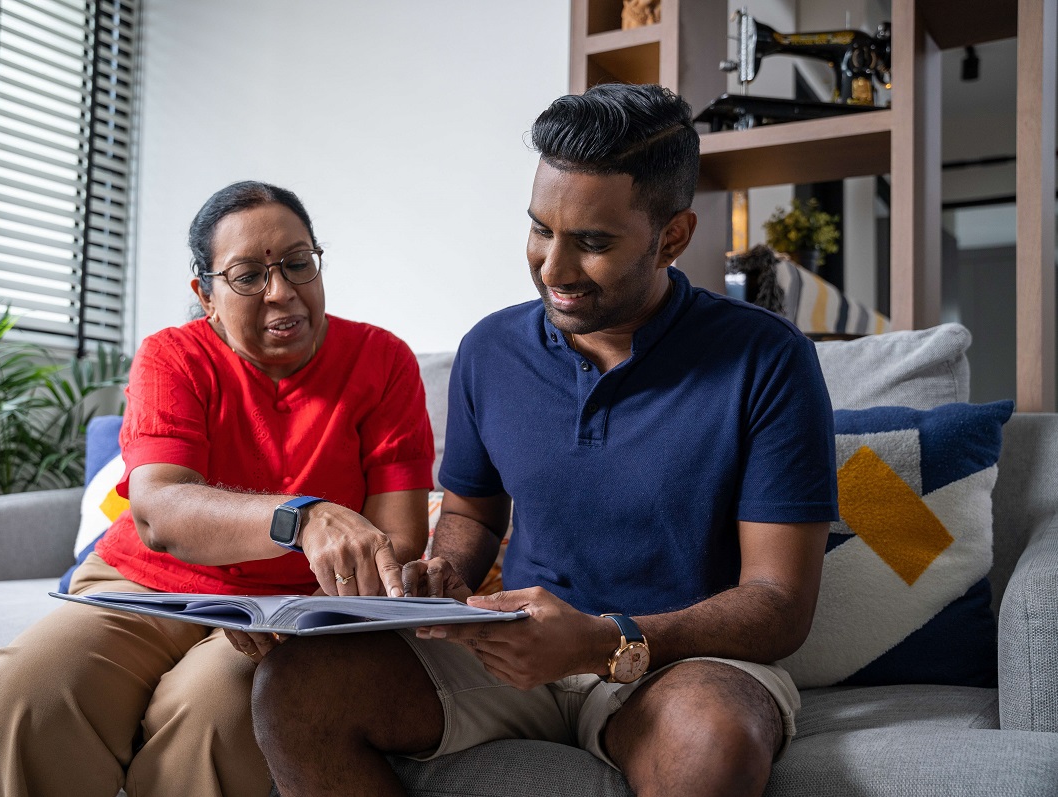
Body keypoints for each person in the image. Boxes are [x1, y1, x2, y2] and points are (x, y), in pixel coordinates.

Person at [251, 84, 838, 797]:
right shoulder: (490, 349)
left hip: (677, 662)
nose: (552, 270)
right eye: (540, 229)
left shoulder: (765, 358)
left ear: (672, 237)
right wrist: (443, 572)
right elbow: (471, 513)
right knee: (296, 687)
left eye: (592, 243)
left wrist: (600, 637)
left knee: (711, 741)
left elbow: (778, 603)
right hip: (504, 650)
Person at [0, 181, 435, 797]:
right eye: (247, 275)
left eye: (299, 263)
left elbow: (396, 542)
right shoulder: (172, 357)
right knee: (28, 691)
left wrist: (307, 613)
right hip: (144, 586)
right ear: (206, 295)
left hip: (292, 613)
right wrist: (303, 516)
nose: (283, 291)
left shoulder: (382, 360)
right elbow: (159, 510)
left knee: (212, 713)